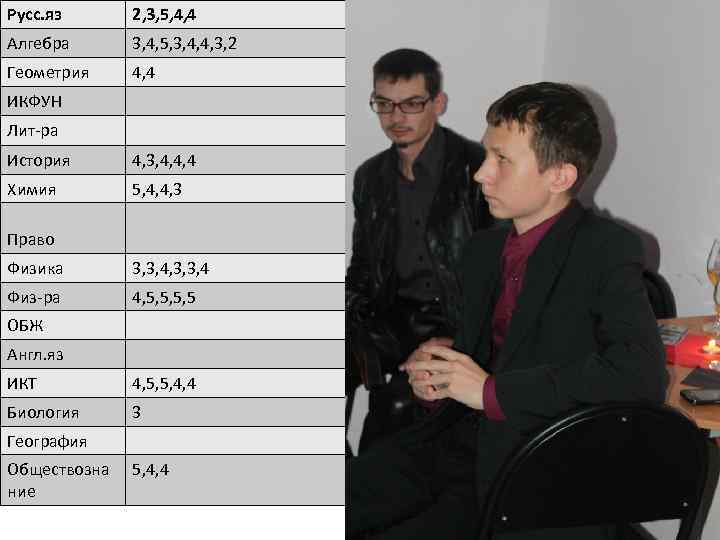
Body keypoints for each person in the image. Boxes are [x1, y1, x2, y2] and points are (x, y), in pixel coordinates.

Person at [347, 82, 668, 539]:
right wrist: (440, 371)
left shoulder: (606, 249)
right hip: (453, 444)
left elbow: (639, 375)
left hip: (532, 470)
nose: (482, 174)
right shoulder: (484, 249)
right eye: (486, 155)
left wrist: (491, 392)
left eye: (502, 159)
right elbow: (492, 351)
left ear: (560, 177)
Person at [346, 48, 493, 453]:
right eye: (384, 104)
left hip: (455, 322)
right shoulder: (370, 177)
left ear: (437, 103)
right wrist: (347, 317)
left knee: (394, 413)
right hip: (391, 319)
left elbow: (499, 270)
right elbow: (363, 265)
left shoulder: (477, 169)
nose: (396, 117)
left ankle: (373, 476)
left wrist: (462, 338)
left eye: (411, 104)